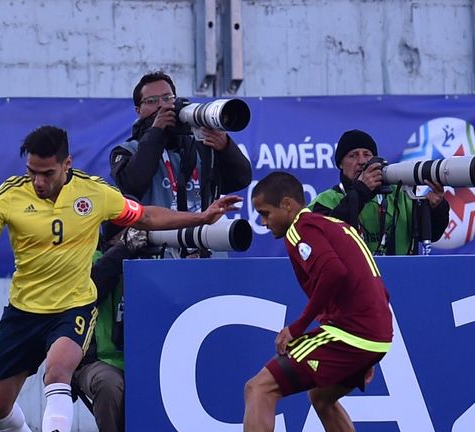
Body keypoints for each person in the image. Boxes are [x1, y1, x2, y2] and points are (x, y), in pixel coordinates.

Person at [0, 125, 241, 432]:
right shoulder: (7, 197)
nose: (38, 180)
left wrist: (200, 217)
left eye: (47, 173)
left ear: (67, 164)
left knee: (59, 372)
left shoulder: (94, 193)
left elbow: (146, 216)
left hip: (73, 307)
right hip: (23, 312)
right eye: (31, 171)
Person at [245, 172, 393, 431]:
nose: (264, 222)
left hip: (352, 334)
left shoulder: (300, 229)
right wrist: (369, 350)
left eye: (266, 213)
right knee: (322, 397)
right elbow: (377, 286)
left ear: (288, 205)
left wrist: (297, 327)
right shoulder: (336, 225)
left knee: (258, 388)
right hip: (374, 333)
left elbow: (334, 272)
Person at [109, 71, 252, 254]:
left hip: (207, 250)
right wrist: (156, 133)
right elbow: (132, 184)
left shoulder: (200, 145)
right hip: (158, 255)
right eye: (151, 101)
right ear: (138, 110)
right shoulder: (127, 150)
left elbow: (240, 179)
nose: (161, 105)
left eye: (167, 98)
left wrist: (225, 147)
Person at [310, 129, 450, 255]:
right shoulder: (325, 200)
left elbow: (432, 235)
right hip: (351, 281)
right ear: (340, 164)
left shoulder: (400, 195)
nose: (361, 161)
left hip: (402, 277)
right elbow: (323, 239)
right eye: (353, 155)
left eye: (367, 154)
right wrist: (361, 192)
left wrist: (436, 208)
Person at [72, 226, 149, 432]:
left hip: (146, 361)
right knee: (108, 383)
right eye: (124, 231)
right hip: (95, 360)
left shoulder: (154, 258)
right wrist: (123, 250)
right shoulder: (86, 257)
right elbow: (92, 288)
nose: (135, 236)